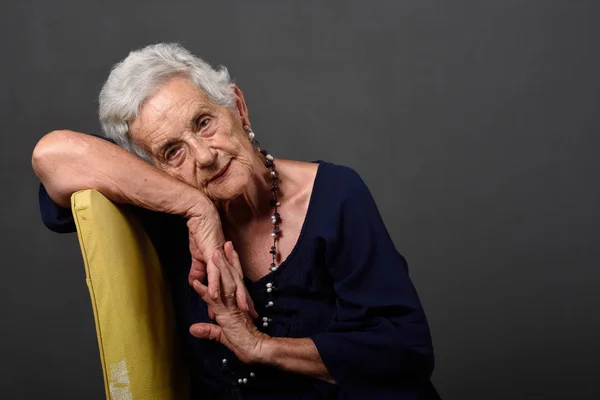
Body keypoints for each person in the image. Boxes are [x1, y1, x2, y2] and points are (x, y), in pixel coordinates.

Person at [32, 43, 441, 400]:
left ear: (238, 107)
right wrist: (196, 207)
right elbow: (52, 155)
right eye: (173, 151)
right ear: (153, 170)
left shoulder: (335, 195)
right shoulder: (165, 211)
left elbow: (404, 353)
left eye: (203, 122)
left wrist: (261, 347)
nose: (205, 156)